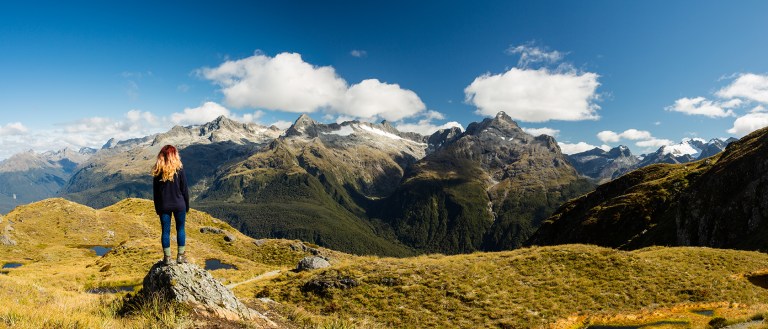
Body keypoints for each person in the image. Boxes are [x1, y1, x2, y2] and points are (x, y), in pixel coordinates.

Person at [151, 145, 190, 265]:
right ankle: (180, 256)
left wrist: (157, 208)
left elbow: (156, 193)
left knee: (165, 232)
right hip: (179, 205)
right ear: (174, 155)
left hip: (164, 206)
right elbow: (185, 190)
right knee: (180, 229)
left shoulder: (158, 171)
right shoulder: (179, 169)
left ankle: (167, 258)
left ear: (161, 156)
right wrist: (187, 205)